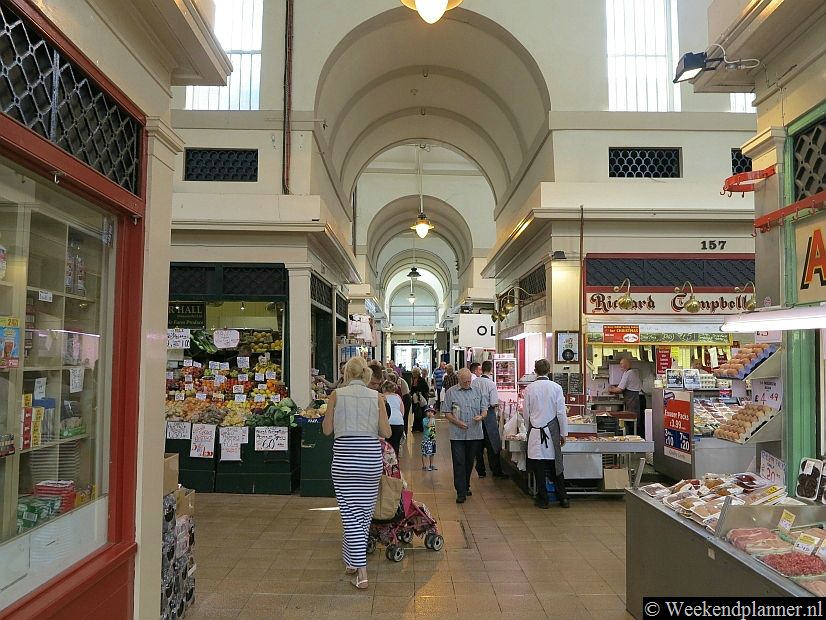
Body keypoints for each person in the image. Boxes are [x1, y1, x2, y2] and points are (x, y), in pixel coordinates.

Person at [322, 357, 392, 589]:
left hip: (344, 461)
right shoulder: (377, 397)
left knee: (349, 513)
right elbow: (386, 431)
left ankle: (361, 571)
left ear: (346, 374)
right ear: (366, 375)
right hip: (370, 460)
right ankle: (351, 562)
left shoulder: (336, 395)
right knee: (362, 514)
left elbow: (327, 430)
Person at [524, 359, 570, 509]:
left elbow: (526, 413)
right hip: (551, 432)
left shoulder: (530, 388)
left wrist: (527, 428)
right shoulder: (556, 387)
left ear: (535, 370)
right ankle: (563, 498)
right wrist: (564, 433)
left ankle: (543, 499)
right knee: (555, 466)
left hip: (536, 431)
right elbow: (561, 413)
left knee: (538, 468)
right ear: (549, 370)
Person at [441, 368, 487, 503]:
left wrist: (481, 416)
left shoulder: (478, 391)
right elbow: (446, 412)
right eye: (465, 381)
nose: (467, 383)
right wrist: (457, 422)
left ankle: (466, 485)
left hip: (475, 433)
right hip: (457, 434)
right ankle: (460, 492)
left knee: (469, 461)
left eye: (469, 381)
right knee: (459, 461)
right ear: (459, 380)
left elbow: (484, 409)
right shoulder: (451, 392)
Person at [473, 360, 507, 479]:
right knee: (493, 443)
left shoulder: (474, 382)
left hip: (476, 415)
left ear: (482, 369)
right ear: (491, 370)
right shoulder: (491, 384)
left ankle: (481, 470)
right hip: (489, 415)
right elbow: (493, 402)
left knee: (478, 444)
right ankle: (495, 469)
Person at [608, 357, 642, 434]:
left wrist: (610, 390)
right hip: (635, 397)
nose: (620, 366)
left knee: (632, 419)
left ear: (627, 365)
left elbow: (620, 389)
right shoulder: (631, 372)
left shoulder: (628, 373)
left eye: (621, 364)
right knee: (634, 420)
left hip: (634, 399)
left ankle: (634, 438)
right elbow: (622, 386)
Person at [382, 380, 405, 456]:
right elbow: (402, 412)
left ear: (384, 388)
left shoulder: (382, 396)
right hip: (399, 423)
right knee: (396, 446)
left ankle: (388, 464)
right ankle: (395, 464)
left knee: (387, 445)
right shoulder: (398, 397)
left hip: (387, 422)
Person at [410, 367, 429, 432]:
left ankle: (421, 427)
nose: (413, 374)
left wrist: (419, 392)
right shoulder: (413, 380)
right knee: (416, 413)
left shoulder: (422, 380)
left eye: (414, 373)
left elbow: (426, 389)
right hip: (415, 399)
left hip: (421, 399)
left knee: (421, 414)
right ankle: (415, 427)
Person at [421, 405, 438, 471]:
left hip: (432, 439)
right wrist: (431, 418)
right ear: (426, 413)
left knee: (432, 453)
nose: (430, 413)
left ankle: (431, 465)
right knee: (425, 453)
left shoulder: (433, 420)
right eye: (428, 411)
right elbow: (428, 426)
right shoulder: (424, 420)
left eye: (432, 412)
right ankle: (424, 466)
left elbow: (433, 429)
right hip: (426, 439)